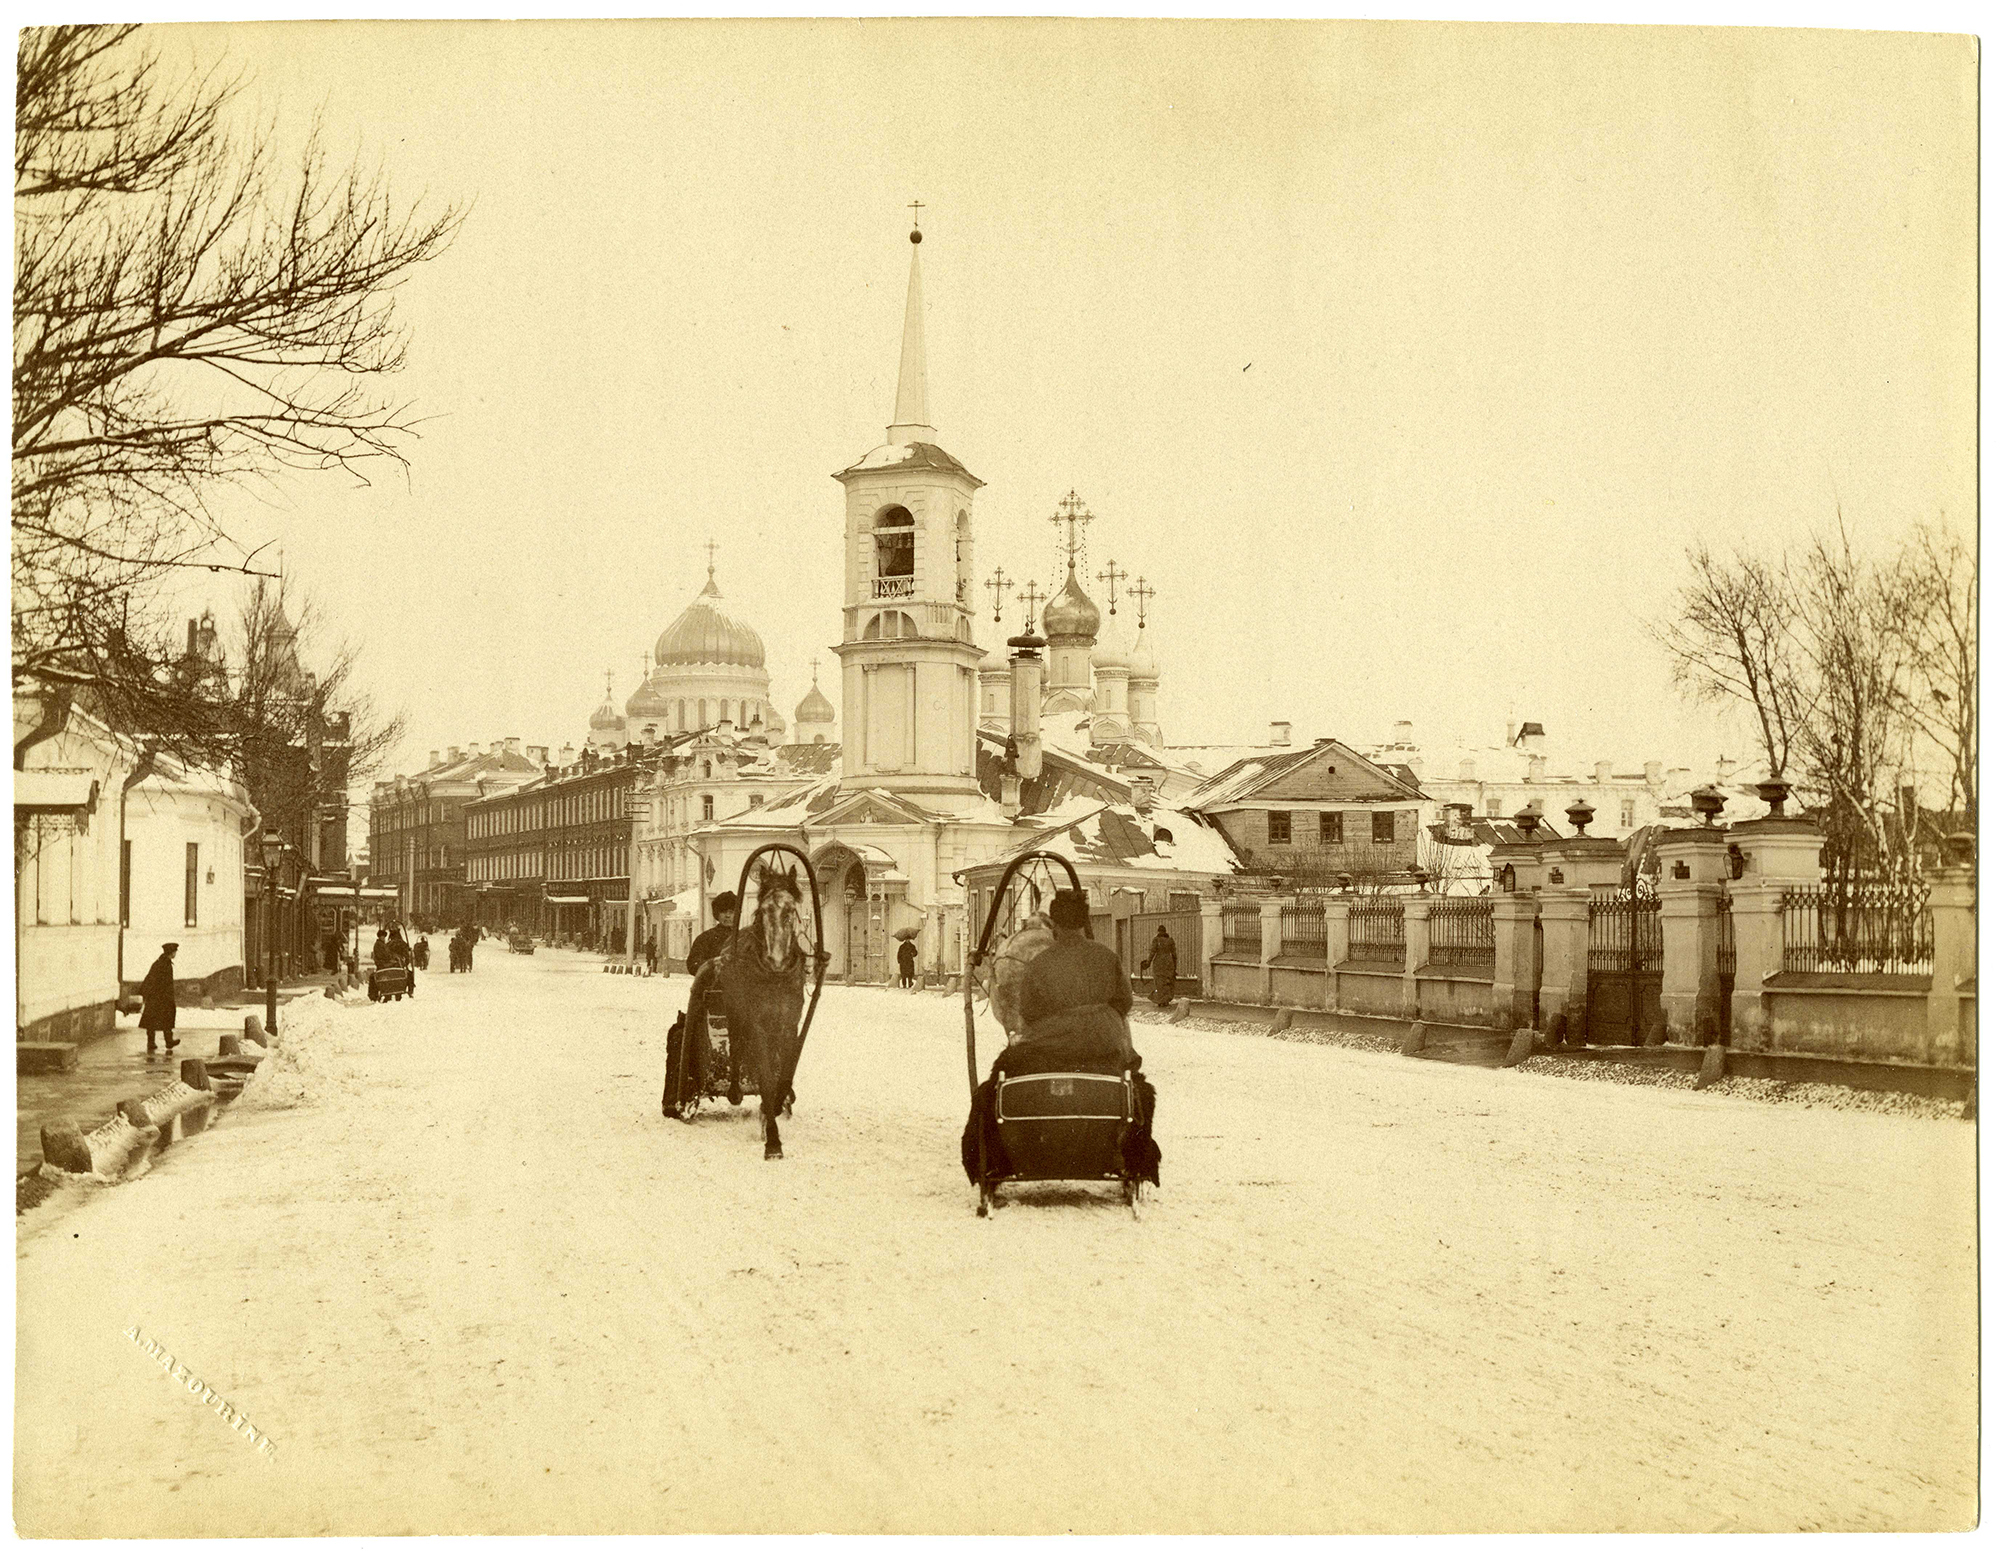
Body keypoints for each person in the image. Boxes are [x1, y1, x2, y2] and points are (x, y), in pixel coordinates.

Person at [140, 942, 179, 1056]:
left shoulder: (159, 963)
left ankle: (152, 1042)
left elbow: (149, 979)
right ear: (171, 952)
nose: (175, 953)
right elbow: (162, 983)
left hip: (156, 997)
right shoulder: (165, 965)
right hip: (162, 998)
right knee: (165, 1018)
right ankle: (167, 1041)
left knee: (153, 1020)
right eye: (175, 951)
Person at [1141, 925, 1179, 1008]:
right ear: (1165, 932)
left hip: (1159, 963)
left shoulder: (1156, 940)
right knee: (1167, 982)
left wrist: (1148, 963)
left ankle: (1161, 1000)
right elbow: (1174, 955)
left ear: (1158, 931)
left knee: (1159, 982)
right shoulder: (1170, 940)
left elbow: (1152, 952)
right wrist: (1174, 967)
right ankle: (1166, 1000)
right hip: (1169, 962)